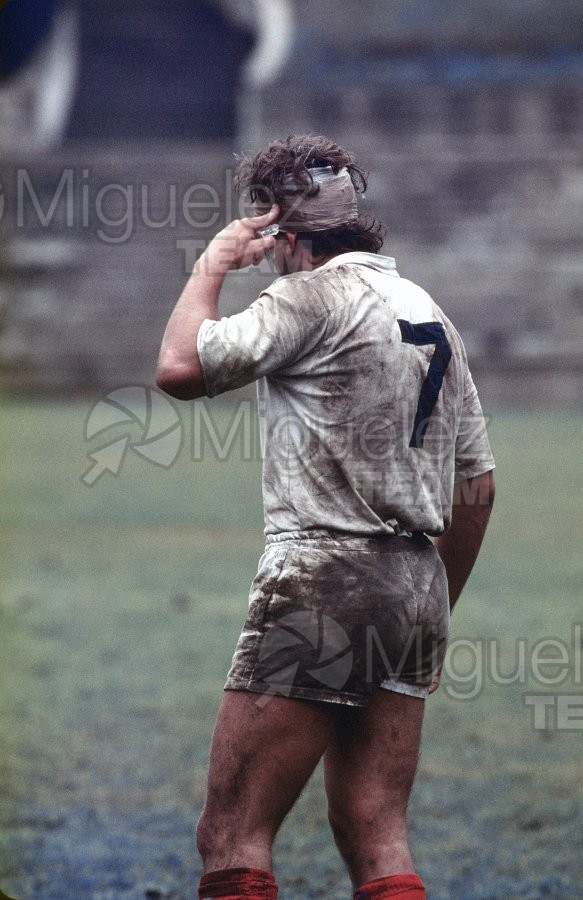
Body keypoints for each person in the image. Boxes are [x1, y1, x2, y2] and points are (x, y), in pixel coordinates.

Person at [156, 134, 495, 900]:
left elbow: (179, 368)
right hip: (413, 590)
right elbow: (476, 487)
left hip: (322, 578)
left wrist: (213, 263)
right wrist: (433, 603)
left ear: (279, 230)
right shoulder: (428, 310)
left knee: (231, 836)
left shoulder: (307, 296)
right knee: (377, 837)